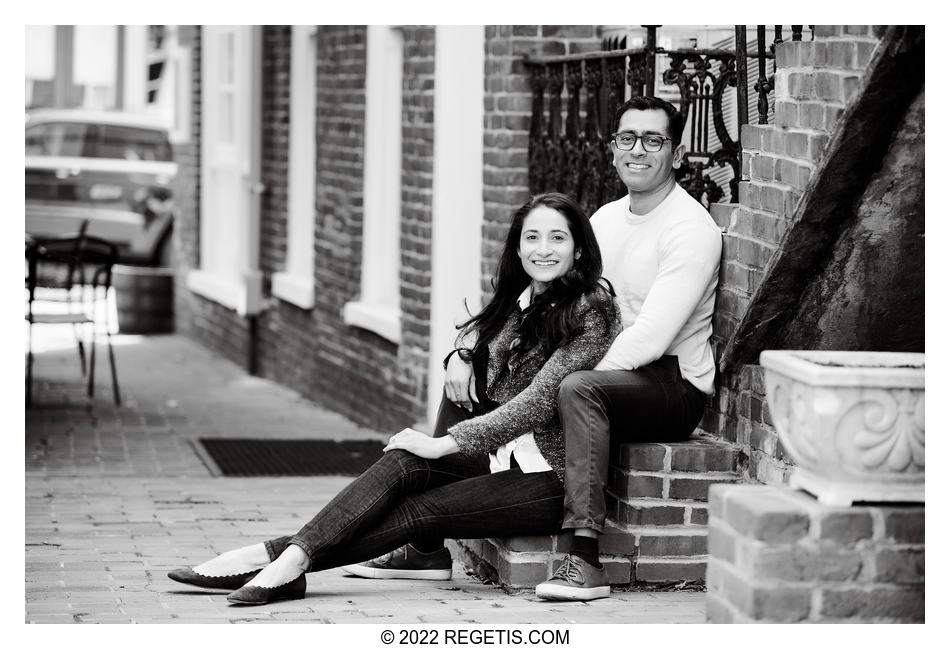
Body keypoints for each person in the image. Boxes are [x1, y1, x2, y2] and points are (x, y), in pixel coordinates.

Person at [167, 192, 621, 605]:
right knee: (403, 459)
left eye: (557, 238)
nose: (544, 249)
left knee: (421, 510)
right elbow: (476, 335)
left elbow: (539, 400)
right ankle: (289, 557)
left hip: (548, 475)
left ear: (578, 248)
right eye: (533, 237)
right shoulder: (519, 300)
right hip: (503, 456)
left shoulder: (591, 310)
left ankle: (280, 559)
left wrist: (445, 442)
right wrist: (460, 355)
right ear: (518, 248)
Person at [533, 96, 723, 601]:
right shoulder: (605, 219)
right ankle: (424, 549)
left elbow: (651, 337)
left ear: (677, 154)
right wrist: (471, 353)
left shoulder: (690, 228)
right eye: (627, 138)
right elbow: (564, 304)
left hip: (672, 383)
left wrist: (560, 382)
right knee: (477, 372)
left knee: (577, 388)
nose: (638, 150)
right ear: (613, 149)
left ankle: (584, 560)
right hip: (611, 372)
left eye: (654, 140)